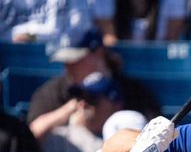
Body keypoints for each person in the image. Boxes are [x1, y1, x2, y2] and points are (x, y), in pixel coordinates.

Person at [28, 28, 160, 139]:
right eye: (65, 61)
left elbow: (154, 135)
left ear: (98, 53)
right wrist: (69, 111)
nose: (69, 67)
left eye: (75, 59)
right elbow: (33, 133)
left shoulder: (133, 91)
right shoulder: (54, 90)